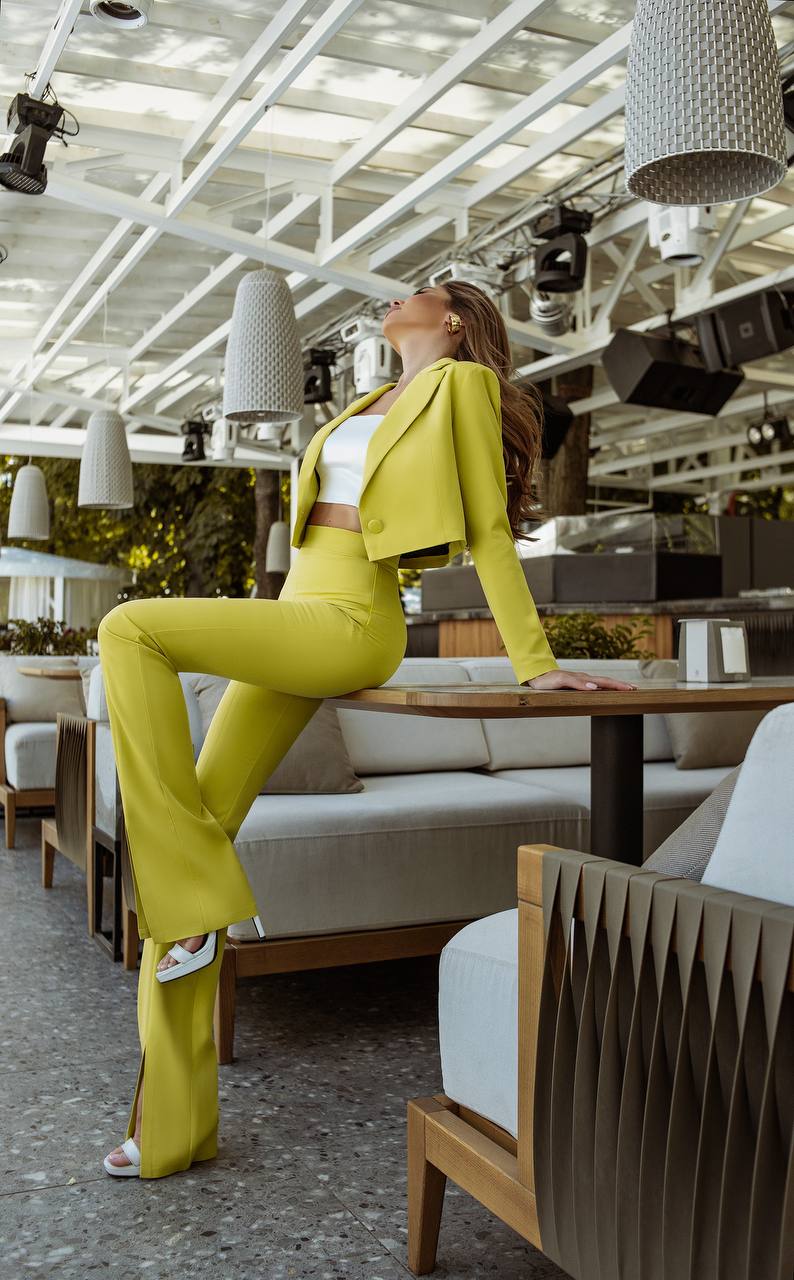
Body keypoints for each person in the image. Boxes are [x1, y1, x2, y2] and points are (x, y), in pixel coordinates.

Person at [101, 279, 636, 1179]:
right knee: (197, 838)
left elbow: (492, 532)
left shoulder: (458, 388)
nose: (394, 295)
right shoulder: (365, 400)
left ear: (454, 319)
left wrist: (532, 661)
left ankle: (191, 899)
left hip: (351, 620)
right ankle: (171, 1130)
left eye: (418, 289)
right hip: (297, 606)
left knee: (129, 627)